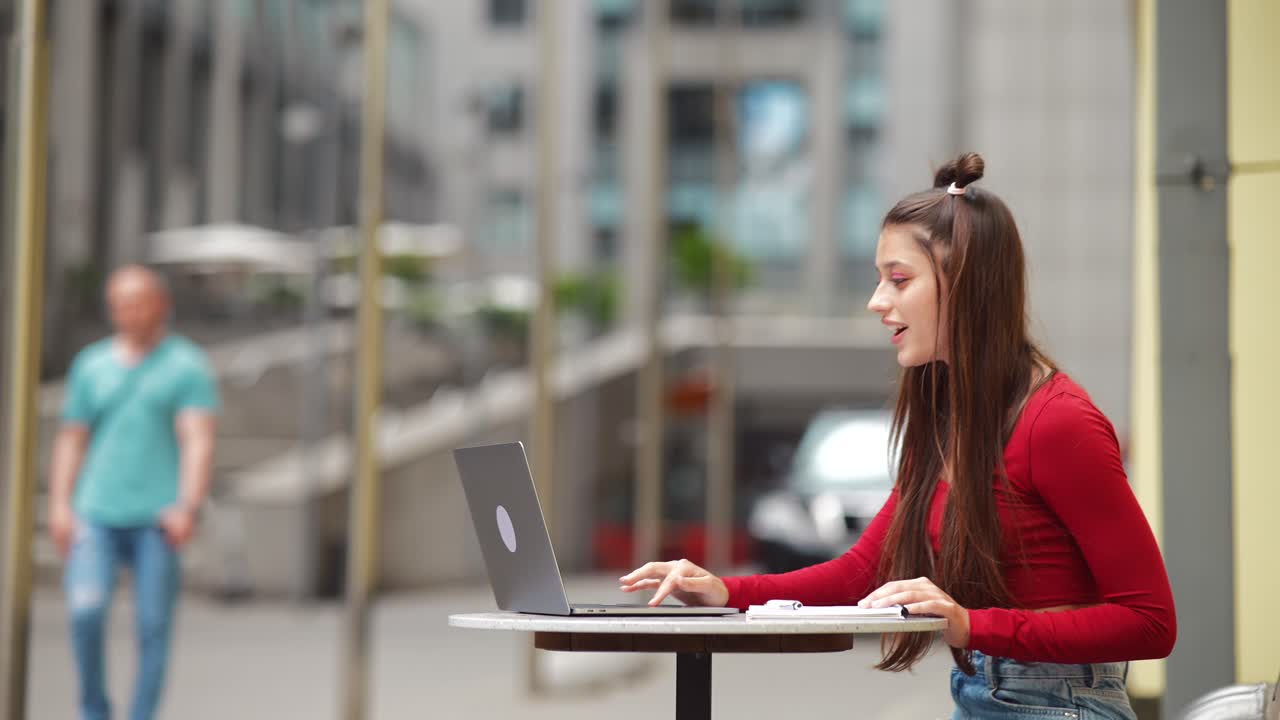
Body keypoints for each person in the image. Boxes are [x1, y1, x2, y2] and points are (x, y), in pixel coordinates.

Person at [620, 153, 1176, 719]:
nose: (876, 301)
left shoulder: (1057, 422)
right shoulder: (946, 418)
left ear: (965, 284)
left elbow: (1150, 622)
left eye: (899, 279)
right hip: (981, 692)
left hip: (1058, 704)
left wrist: (970, 623)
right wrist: (724, 593)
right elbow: (863, 571)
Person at [47, 265, 219, 720]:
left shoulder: (186, 367)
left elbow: (197, 439)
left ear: (161, 304)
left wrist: (189, 504)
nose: (129, 313)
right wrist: (60, 504)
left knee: (152, 627)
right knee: (85, 611)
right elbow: (72, 437)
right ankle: (94, 709)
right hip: (96, 510)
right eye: (120, 304)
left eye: (138, 302)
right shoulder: (92, 365)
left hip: (157, 515)